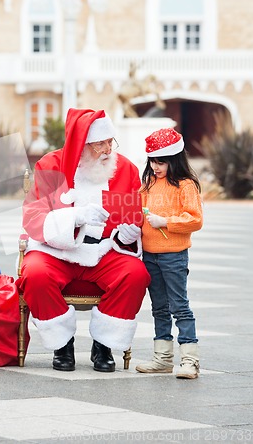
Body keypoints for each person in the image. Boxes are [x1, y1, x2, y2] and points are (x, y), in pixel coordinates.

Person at [17, 108, 151, 372]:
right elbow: (33, 216)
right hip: (56, 251)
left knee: (136, 274)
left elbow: (134, 216)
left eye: (110, 141)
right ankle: (62, 344)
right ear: (81, 144)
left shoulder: (125, 169)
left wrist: (129, 233)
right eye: (100, 143)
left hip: (105, 250)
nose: (108, 149)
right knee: (34, 274)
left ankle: (104, 344)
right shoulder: (50, 165)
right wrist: (75, 217)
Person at [135, 128, 203, 379]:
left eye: (161, 161)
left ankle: (190, 360)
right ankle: (162, 358)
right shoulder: (149, 184)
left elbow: (195, 220)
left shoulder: (186, 185)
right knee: (159, 308)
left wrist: (166, 221)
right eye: (152, 161)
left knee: (179, 306)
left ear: (175, 159)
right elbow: (138, 212)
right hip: (149, 255)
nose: (155, 166)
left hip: (174, 255)